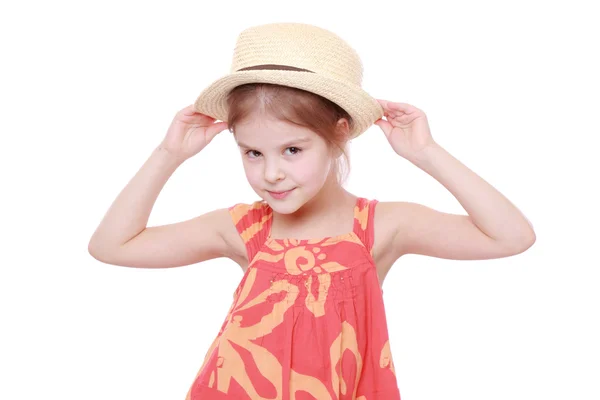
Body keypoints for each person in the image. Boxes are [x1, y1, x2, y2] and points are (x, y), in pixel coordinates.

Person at [88, 23, 536, 400]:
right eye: (252, 153)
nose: (272, 174)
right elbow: (112, 246)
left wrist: (426, 153)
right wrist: (169, 153)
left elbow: (511, 236)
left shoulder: (380, 227)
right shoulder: (245, 229)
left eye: (292, 149)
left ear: (339, 135)